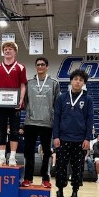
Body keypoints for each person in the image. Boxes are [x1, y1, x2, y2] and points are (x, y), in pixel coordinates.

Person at [53, 69, 93, 197]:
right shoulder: (61, 98)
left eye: (81, 80)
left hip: (80, 141)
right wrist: (56, 136)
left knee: (78, 168)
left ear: (83, 83)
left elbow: (90, 120)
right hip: (63, 139)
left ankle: (75, 193)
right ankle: (60, 192)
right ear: (71, 81)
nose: (77, 82)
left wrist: (88, 139)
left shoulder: (87, 99)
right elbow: (56, 118)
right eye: (75, 79)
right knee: (61, 167)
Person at [21, 57, 60, 188]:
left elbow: (57, 103)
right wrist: (31, 111)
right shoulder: (29, 82)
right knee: (29, 152)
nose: (40, 67)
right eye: (38, 65)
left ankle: (45, 178)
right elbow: (25, 101)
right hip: (30, 122)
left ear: (47, 66)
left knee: (47, 152)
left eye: (43, 64)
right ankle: (28, 178)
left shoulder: (54, 83)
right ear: (36, 67)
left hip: (46, 123)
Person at [0, 41, 27, 166]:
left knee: (14, 131)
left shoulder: (21, 67)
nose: (7, 51)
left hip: (15, 105)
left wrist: (21, 100)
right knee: (1, 131)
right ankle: (1, 157)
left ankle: (12, 157)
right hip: (1, 105)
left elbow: (23, 85)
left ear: (15, 51)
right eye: (5, 49)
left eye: (10, 49)